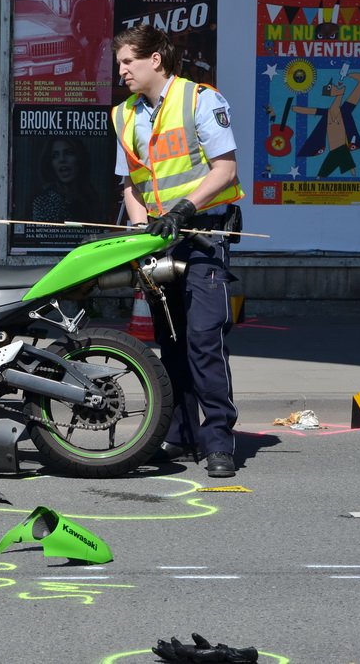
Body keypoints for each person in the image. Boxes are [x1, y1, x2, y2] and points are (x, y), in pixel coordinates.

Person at [110, 24, 244, 478]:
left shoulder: (200, 99)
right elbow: (131, 183)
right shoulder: (123, 114)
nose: (122, 69)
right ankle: (181, 434)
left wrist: (184, 210)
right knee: (171, 341)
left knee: (204, 339)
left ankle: (219, 441)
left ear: (155, 60)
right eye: (120, 61)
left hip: (204, 236)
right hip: (159, 241)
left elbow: (225, 170)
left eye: (129, 60)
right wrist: (139, 228)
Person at [31, 135, 99, 223]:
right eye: (55, 155)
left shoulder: (90, 197)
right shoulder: (43, 202)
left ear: (80, 157)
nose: (62, 160)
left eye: (68, 153)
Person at [71, 0, 111, 86]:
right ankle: (90, 91)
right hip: (86, 41)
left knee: (95, 67)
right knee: (89, 66)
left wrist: (108, 37)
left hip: (99, 40)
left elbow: (110, 18)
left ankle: (90, 90)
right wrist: (80, 39)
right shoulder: (80, 3)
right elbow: (72, 24)